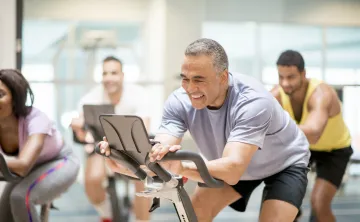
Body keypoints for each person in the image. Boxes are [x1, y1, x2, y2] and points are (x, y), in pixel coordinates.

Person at [97, 38, 311, 222]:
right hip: (231, 163)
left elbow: (234, 169)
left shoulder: (253, 101)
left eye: (199, 80)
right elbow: (161, 152)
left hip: (284, 163)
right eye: (185, 78)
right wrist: (128, 161)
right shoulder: (179, 101)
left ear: (223, 77)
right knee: (195, 214)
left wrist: (181, 168)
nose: (190, 88)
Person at [271, 50, 353, 222]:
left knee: (319, 203)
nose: (285, 83)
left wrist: (275, 129)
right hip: (301, 149)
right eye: (281, 77)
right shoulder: (276, 95)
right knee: (282, 202)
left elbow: (313, 134)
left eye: (291, 77)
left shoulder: (321, 94)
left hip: (334, 150)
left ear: (303, 73)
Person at [70, 56, 151, 222]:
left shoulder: (139, 95)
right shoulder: (89, 99)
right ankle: (106, 214)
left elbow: (145, 128)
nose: (108, 78)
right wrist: (78, 128)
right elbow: (84, 137)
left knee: (143, 179)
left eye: (113, 73)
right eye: (105, 73)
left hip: (132, 147)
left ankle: (142, 219)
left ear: (122, 75)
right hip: (102, 148)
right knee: (92, 179)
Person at [0, 69, 80, 222]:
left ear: (16, 98)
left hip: (61, 161)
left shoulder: (36, 119)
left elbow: (23, 165)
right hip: (33, 167)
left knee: (20, 197)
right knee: (3, 213)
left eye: (0, 95)